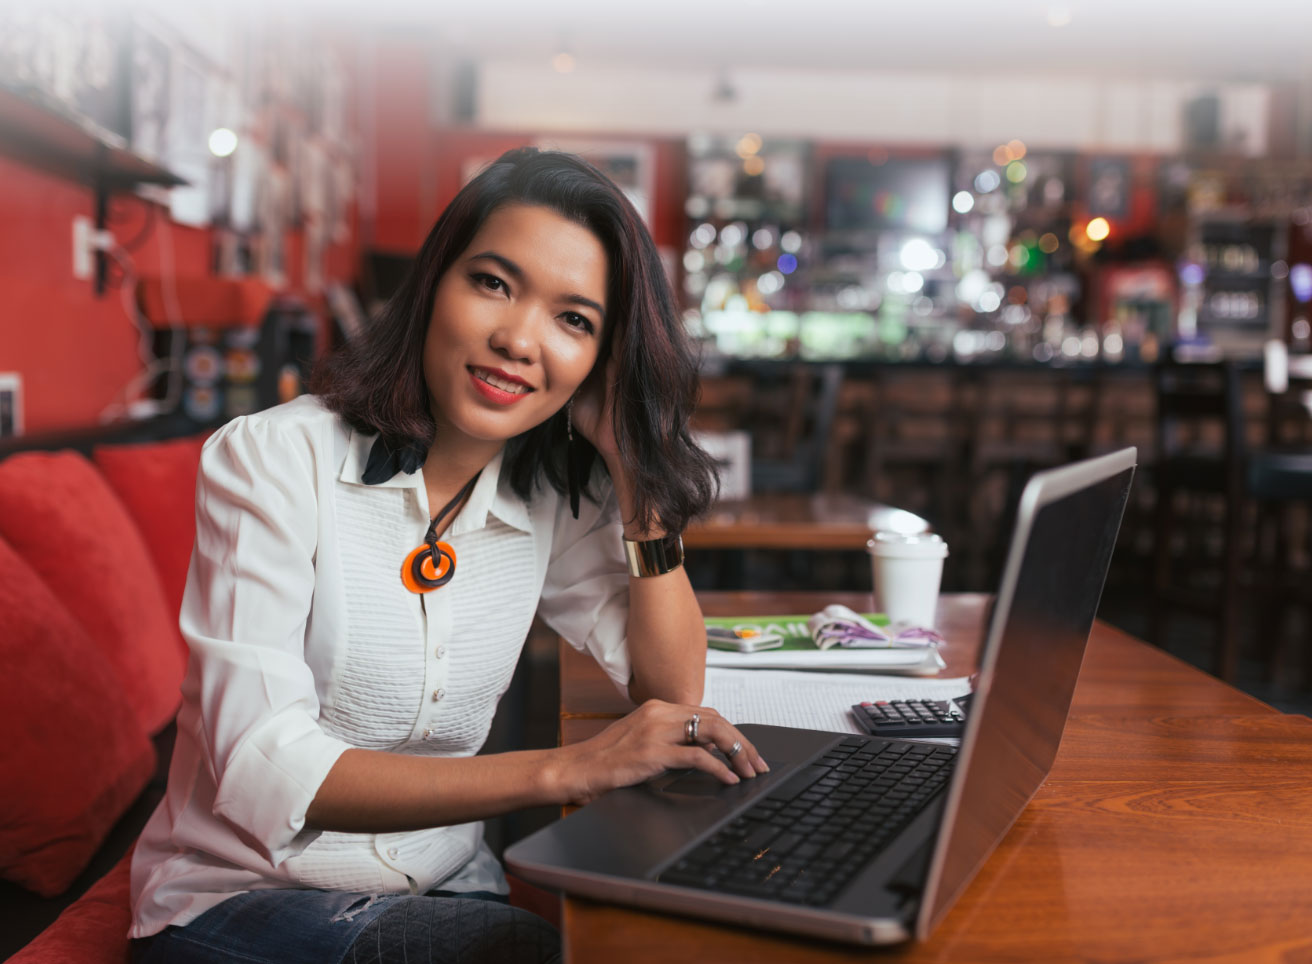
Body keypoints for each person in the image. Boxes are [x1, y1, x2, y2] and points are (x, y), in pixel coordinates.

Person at [128, 148, 768, 964]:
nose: (518, 339)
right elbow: (264, 772)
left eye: (574, 320)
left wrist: (640, 482)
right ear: (435, 285)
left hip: (450, 884)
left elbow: (670, 699)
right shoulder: (273, 459)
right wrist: (565, 770)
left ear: (601, 362)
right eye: (494, 283)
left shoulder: (545, 495)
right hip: (245, 900)